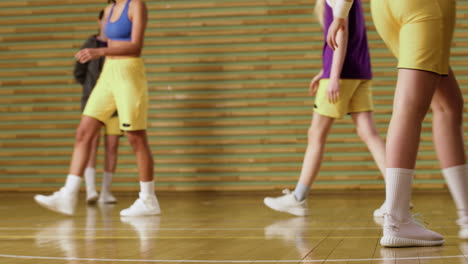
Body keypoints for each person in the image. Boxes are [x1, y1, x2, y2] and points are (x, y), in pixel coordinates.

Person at [327, 0, 467, 247]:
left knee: (448, 105)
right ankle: (397, 219)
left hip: (385, 9)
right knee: (410, 106)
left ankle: (465, 214)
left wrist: (340, 11)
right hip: (424, 7)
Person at [34, 0, 161, 217]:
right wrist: (99, 52)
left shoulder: (135, 4)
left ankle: (148, 199)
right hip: (108, 74)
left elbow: (136, 46)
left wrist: (98, 52)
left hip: (128, 72)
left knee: (135, 137)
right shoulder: (110, 9)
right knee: (84, 132)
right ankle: (68, 194)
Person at [263, 0, 387, 217]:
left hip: (342, 74)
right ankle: (398, 196)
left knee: (316, 134)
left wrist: (334, 76)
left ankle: (298, 198)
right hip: (360, 71)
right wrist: (325, 70)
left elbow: (342, 32)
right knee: (369, 133)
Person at [73, 9, 120, 204]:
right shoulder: (90, 44)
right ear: (99, 21)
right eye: (105, 20)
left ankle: (105, 191)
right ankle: (90, 189)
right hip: (93, 102)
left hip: (116, 103)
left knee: (112, 146)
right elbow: (79, 72)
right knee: (91, 143)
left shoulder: (118, 45)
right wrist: (91, 89)